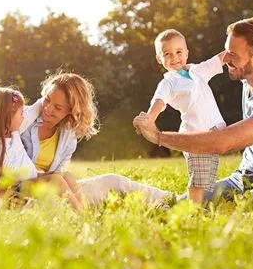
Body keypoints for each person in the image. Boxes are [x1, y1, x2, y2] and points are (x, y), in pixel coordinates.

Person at [134, 17, 253, 202]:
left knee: (246, 205)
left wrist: (158, 137)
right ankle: (119, 189)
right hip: (243, 179)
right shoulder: (249, 77)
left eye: (233, 55)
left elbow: (221, 143)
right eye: (227, 52)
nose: (227, 60)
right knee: (186, 204)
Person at [21, 73, 179, 207]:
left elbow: (60, 175)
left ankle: (175, 201)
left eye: (58, 108)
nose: (48, 109)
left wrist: (71, 194)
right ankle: (79, 215)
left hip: (54, 191)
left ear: (71, 111)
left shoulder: (68, 135)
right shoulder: (21, 120)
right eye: (47, 100)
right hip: (21, 194)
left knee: (113, 181)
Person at [146, 29, 227, 203]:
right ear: (159, 59)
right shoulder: (168, 82)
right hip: (194, 133)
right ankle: (194, 210)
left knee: (206, 175)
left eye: (178, 52)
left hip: (213, 131)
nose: (174, 57)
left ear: (187, 53)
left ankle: (196, 204)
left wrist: (237, 50)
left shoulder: (197, 70)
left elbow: (219, 59)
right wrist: (149, 119)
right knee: (199, 178)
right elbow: (159, 101)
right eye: (167, 54)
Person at [0, 87, 83, 211]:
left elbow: (34, 110)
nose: (25, 116)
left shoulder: (14, 134)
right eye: (21, 113)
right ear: (7, 117)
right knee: (56, 180)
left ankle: (83, 210)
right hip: (16, 191)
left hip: (28, 181)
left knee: (66, 176)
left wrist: (55, 91)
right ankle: (80, 216)